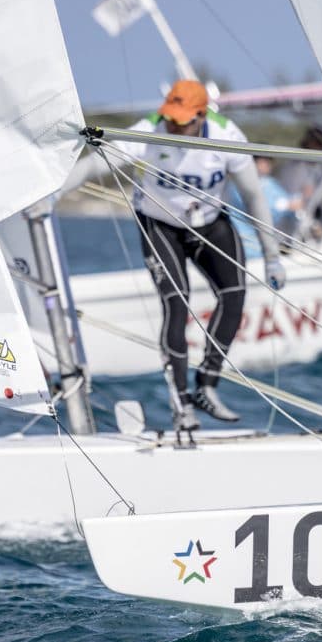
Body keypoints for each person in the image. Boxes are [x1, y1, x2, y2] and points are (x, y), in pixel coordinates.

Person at [117, 80, 287, 431]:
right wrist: (51, 196)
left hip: (210, 224)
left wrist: (272, 257)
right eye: (170, 118)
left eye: (182, 121)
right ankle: (181, 403)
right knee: (177, 304)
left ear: (201, 116)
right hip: (160, 225)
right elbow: (94, 165)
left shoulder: (227, 136)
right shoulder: (149, 129)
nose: (173, 126)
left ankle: (206, 386)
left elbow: (254, 197)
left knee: (234, 295)